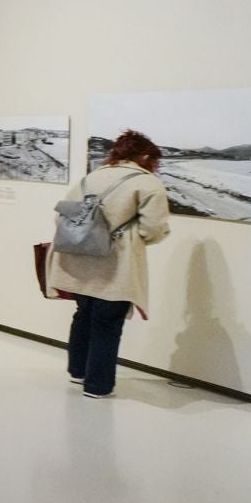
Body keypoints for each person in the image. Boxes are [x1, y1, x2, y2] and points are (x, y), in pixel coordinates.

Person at [45, 129, 172, 399]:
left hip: (77, 261)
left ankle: (78, 372)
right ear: (146, 155)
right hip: (115, 265)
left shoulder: (89, 178)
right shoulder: (148, 184)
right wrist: (127, 237)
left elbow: (62, 218)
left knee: (84, 315)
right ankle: (98, 385)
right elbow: (154, 229)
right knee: (107, 322)